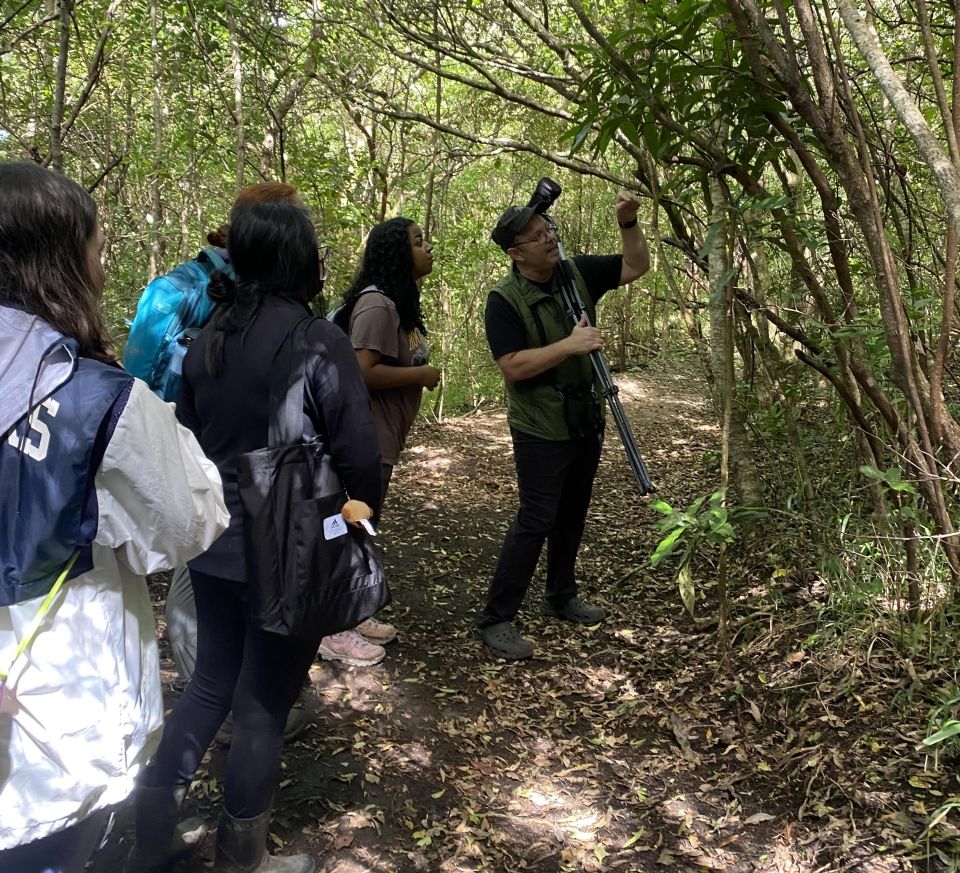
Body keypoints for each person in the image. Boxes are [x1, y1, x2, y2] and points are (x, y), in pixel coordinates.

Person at [127, 194, 382, 873]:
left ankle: (151, 824)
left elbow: (191, 433)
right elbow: (359, 452)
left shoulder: (209, 340)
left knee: (211, 681)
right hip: (291, 544)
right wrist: (359, 518)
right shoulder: (316, 338)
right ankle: (244, 855)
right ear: (300, 259)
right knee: (264, 699)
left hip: (213, 537)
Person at [0, 161, 228, 873]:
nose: (106, 266)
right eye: (98, 249)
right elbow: (191, 516)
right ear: (60, 263)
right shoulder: (97, 399)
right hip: (51, 719)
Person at [161, 183, 315, 744]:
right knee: (198, 609)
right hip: (213, 485)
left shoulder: (285, 319)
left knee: (223, 618)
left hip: (231, 487)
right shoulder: (182, 292)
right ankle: (228, 709)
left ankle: (224, 704)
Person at [473, 190, 650, 660]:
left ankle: (560, 595)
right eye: (536, 236)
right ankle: (497, 617)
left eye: (548, 230)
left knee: (573, 511)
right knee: (536, 518)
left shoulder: (575, 274)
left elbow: (636, 267)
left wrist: (628, 223)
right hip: (538, 424)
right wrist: (569, 347)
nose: (548, 238)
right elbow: (511, 366)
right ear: (516, 252)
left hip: (584, 414)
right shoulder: (504, 300)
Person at [317, 217, 440, 667]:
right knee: (349, 525)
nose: (427, 248)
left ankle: (355, 608)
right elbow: (361, 371)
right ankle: (332, 627)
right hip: (362, 438)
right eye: (417, 242)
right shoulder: (377, 305)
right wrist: (421, 375)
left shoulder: (393, 305)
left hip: (379, 438)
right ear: (394, 253)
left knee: (363, 524)